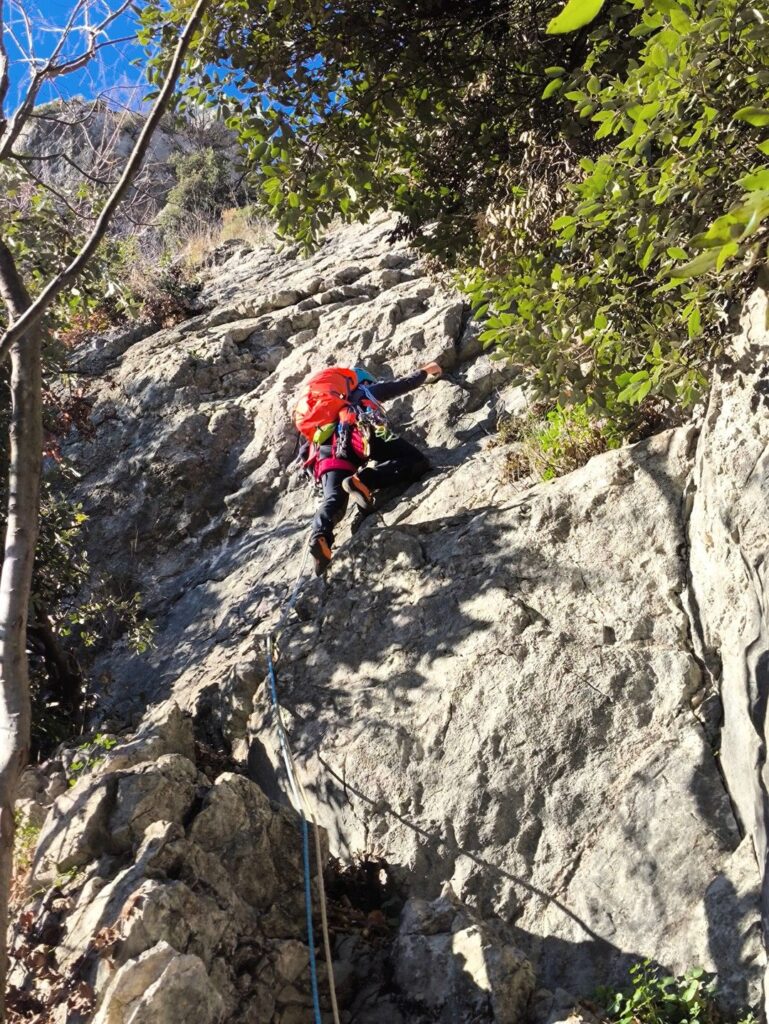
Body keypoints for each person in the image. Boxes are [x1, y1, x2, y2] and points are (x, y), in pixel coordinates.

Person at [298, 362, 443, 574]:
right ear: (361, 382)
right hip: (364, 435)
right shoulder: (364, 391)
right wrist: (427, 371)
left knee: (333, 499)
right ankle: (365, 481)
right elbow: (400, 385)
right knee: (415, 459)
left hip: (327, 454)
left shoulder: (323, 417)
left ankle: (320, 537)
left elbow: (304, 452)